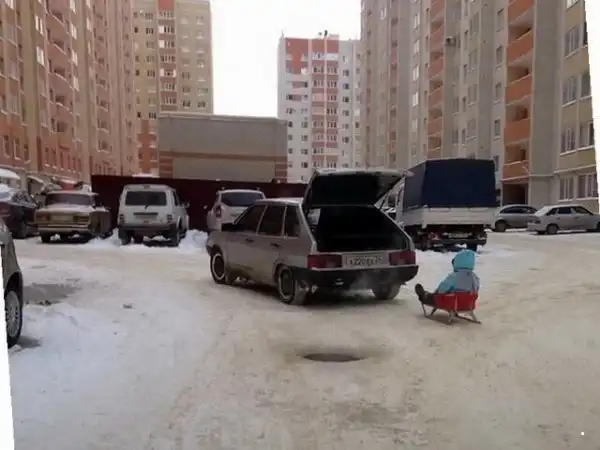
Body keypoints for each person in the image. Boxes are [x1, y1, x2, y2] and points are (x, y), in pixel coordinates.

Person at [415, 249, 480, 306]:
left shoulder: (454, 276)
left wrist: (437, 293)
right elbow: (476, 289)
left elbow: (443, 288)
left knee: (432, 297)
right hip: (468, 304)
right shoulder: (474, 277)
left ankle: (424, 295)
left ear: (457, 262)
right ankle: (427, 294)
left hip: (451, 303)